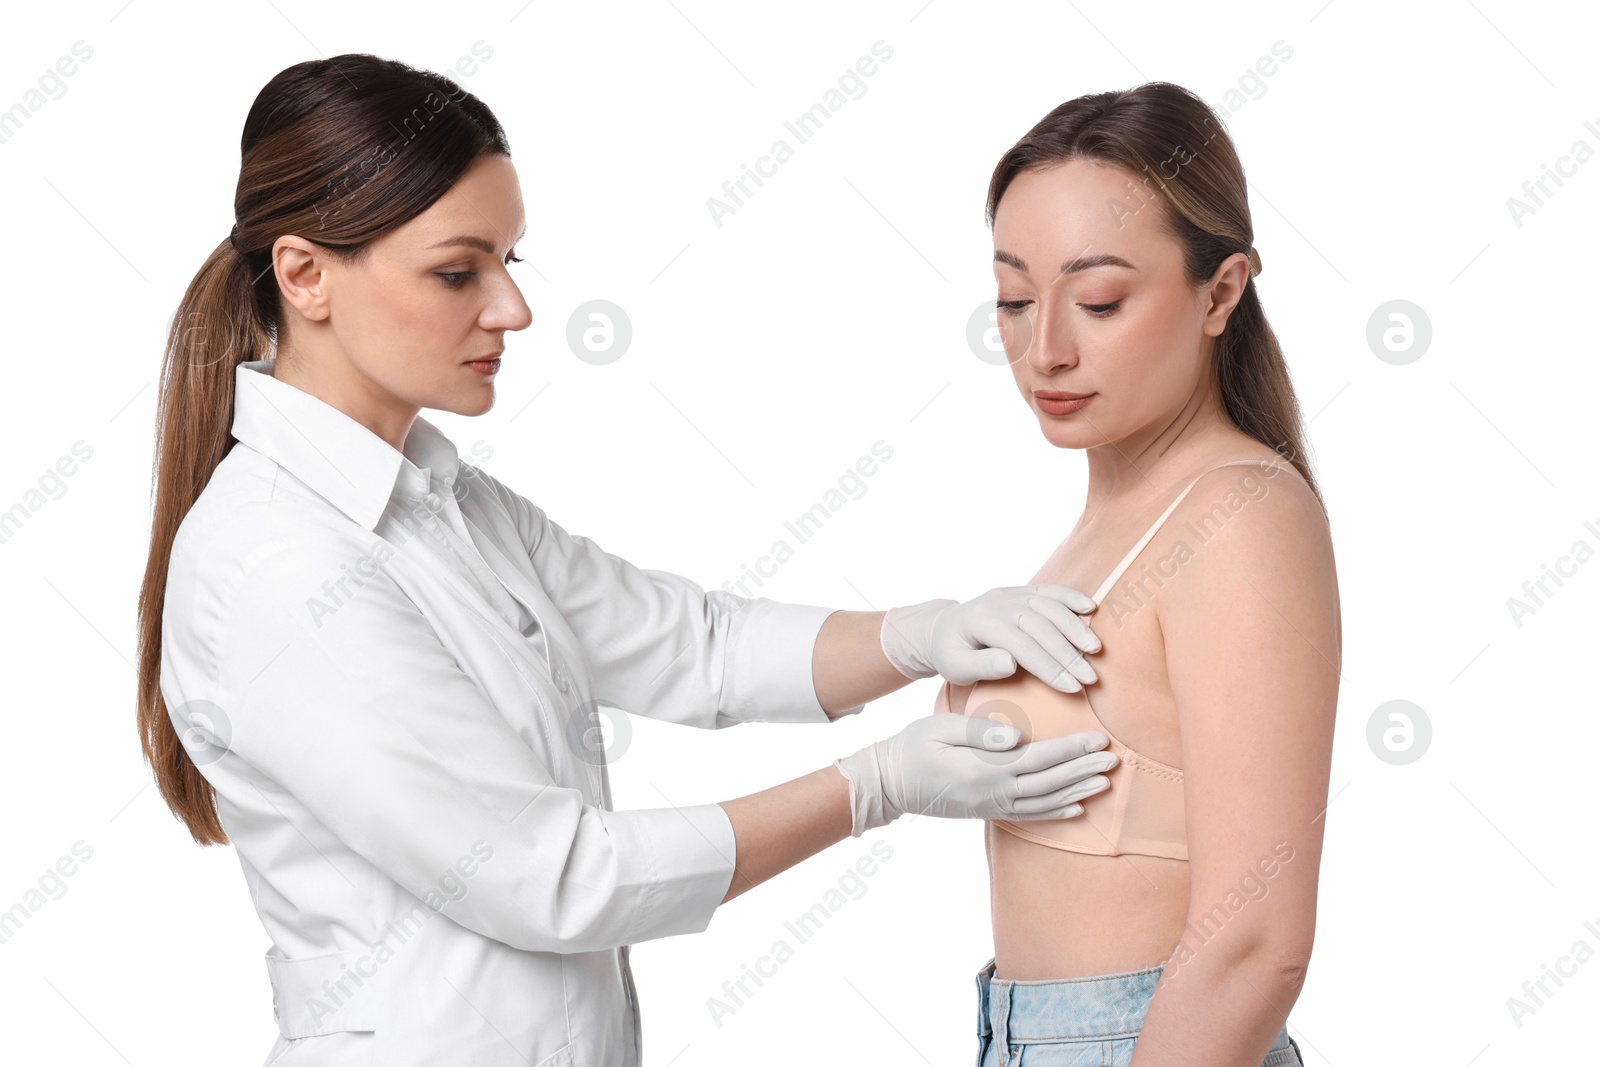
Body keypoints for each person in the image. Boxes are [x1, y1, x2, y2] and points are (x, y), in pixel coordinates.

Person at [133, 54, 1126, 1067]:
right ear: (305, 275)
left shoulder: (440, 501)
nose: (511, 310)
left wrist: (921, 633)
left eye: (509, 263)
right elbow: (551, 874)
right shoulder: (277, 563)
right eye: (456, 270)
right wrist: (872, 784)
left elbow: (693, 645)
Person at [939, 83, 1340, 1066]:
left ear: (1220, 290)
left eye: (1101, 299)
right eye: (1014, 299)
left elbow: (1252, 941)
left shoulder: (1235, 514)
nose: (1046, 349)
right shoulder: (1112, 522)